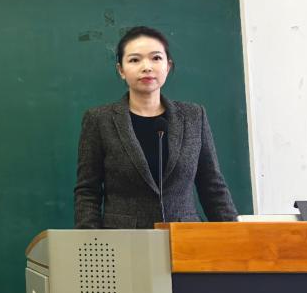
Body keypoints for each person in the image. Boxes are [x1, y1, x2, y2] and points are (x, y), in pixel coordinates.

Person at [74, 26, 237, 229]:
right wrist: (92, 241)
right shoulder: (99, 120)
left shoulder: (194, 116)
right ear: (121, 70)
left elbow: (212, 185)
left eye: (156, 58)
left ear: (168, 66)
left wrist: (234, 235)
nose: (147, 67)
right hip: (124, 239)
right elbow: (88, 191)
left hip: (185, 237)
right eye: (135, 60)